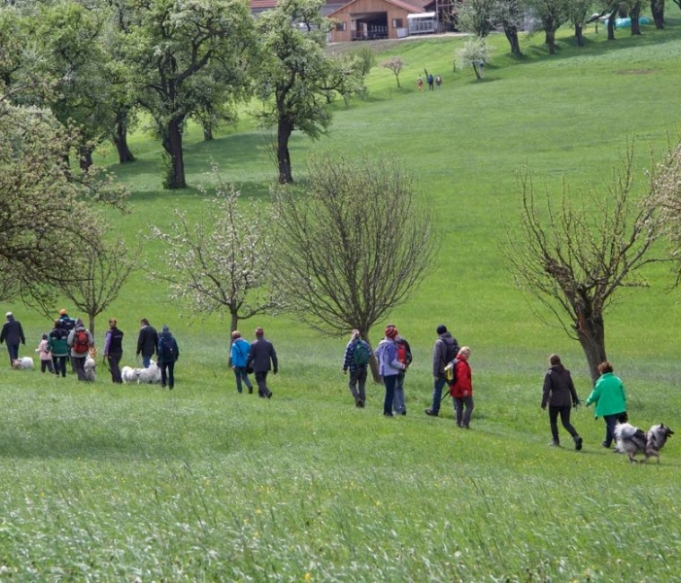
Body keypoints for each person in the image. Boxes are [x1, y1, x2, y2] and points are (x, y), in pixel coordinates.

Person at [541, 354, 583, 450]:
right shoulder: (566, 373)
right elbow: (571, 387)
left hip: (555, 401)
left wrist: (544, 403)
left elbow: (546, 389)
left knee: (553, 421)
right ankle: (576, 437)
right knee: (566, 422)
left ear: (551, 362)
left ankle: (555, 440)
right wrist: (575, 399)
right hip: (566, 402)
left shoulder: (550, 373)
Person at [585, 361, 627, 450]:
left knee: (612, 426)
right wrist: (623, 402)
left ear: (602, 371)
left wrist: (588, 401)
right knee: (610, 425)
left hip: (608, 409)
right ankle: (607, 443)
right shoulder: (617, 380)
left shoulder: (601, 382)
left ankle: (621, 445)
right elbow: (623, 395)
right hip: (619, 408)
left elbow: (595, 394)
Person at [425, 324, 459, 417]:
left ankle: (435, 410)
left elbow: (436, 359)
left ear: (438, 333)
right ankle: (458, 410)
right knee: (453, 389)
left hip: (441, 370)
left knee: (437, 390)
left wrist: (435, 373)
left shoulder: (439, 342)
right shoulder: (453, 341)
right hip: (451, 369)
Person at [375, 326, 406, 417]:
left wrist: (382, 359)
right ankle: (387, 412)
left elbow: (376, 353)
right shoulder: (391, 346)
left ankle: (387, 410)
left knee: (388, 392)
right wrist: (402, 366)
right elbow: (392, 361)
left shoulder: (382, 344)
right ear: (393, 336)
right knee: (390, 393)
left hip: (383, 371)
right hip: (391, 372)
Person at [342, 330, 372, 408]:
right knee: (361, 386)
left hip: (354, 369)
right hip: (364, 368)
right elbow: (369, 354)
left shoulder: (351, 345)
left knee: (352, 384)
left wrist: (345, 368)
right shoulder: (365, 344)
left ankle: (358, 399)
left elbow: (347, 358)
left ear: (352, 335)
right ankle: (362, 404)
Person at [247, 327, 277, 399]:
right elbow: (274, 356)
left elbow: (250, 356)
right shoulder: (269, 344)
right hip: (266, 366)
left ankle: (267, 392)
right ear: (263, 334)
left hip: (257, 366)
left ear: (256, 335)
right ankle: (261, 395)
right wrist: (275, 367)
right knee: (263, 380)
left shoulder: (254, 344)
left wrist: (247, 365)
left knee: (259, 381)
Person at [449, 346, 474, 428]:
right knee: (470, 406)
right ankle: (465, 423)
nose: (467, 356)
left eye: (468, 354)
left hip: (454, 389)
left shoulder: (454, 361)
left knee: (459, 407)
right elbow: (462, 379)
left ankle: (458, 423)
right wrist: (465, 390)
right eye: (466, 354)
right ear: (461, 353)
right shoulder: (462, 364)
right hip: (461, 390)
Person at [391, 325, 412, 415]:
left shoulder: (388, 342)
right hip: (402, 369)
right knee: (400, 388)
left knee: (394, 389)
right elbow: (410, 356)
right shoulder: (403, 341)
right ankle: (402, 407)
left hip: (392, 369)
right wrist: (405, 365)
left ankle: (397, 409)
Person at [157, 325, 179, 389]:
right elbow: (176, 348)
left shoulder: (161, 340)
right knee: (171, 373)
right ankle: (171, 386)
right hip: (171, 359)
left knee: (163, 372)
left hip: (163, 360)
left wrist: (159, 359)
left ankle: (163, 384)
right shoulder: (172, 339)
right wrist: (176, 356)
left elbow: (160, 351)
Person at [103, 318, 124, 384]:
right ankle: (118, 379)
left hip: (112, 352)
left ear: (110, 324)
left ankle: (117, 380)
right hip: (119, 352)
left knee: (113, 367)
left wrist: (105, 352)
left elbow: (107, 343)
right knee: (116, 366)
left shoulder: (109, 333)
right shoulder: (120, 333)